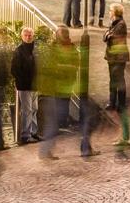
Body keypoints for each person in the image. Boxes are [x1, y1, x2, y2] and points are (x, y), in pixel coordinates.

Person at [38, 26, 91, 159]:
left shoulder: (72, 49)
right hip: (54, 90)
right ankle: (45, 151)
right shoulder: (53, 49)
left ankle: (46, 150)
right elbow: (52, 67)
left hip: (66, 90)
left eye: (62, 34)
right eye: (60, 34)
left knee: (59, 120)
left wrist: (65, 69)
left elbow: (75, 65)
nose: (61, 36)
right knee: (54, 121)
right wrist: (65, 69)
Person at [11, 26, 40, 144]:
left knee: (34, 109)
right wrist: (22, 80)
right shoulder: (18, 51)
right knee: (27, 110)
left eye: (30, 35)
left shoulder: (35, 50)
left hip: (34, 85)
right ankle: (26, 135)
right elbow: (14, 69)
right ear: (22, 36)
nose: (28, 37)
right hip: (24, 86)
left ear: (33, 36)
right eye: (26, 35)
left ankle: (33, 132)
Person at [104, 6, 130, 115]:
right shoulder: (113, 23)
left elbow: (110, 37)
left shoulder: (121, 24)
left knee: (119, 80)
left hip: (119, 56)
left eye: (110, 10)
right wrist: (107, 35)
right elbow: (105, 37)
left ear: (115, 12)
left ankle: (122, 105)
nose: (109, 12)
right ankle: (112, 102)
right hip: (112, 55)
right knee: (113, 80)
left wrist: (108, 35)